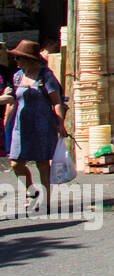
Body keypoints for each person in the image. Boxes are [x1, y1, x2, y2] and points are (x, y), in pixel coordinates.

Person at [2, 40, 66, 210]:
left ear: (29, 59)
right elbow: (13, 101)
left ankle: (46, 200)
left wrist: (60, 123)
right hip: (21, 126)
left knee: (42, 163)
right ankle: (31, 191)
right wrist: (5, 122)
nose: (16, 62)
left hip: (42, 124)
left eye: (18, 58)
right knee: (16, 163)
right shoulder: (17, 77)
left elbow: (56, 102)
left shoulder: (45, 76)